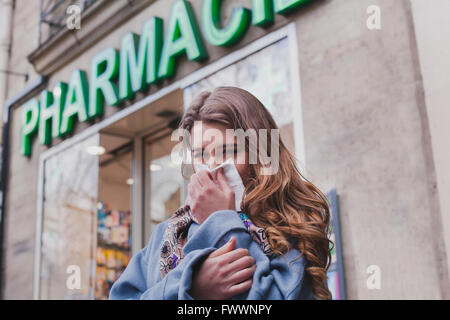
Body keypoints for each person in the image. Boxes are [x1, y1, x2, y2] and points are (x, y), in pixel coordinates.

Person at [109, 86, 333, 300]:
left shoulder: (292, 226)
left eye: (230, 150)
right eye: (200, 154)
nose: (212, 164)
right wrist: (190, 286)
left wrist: (221, 221)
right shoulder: (167, 233)